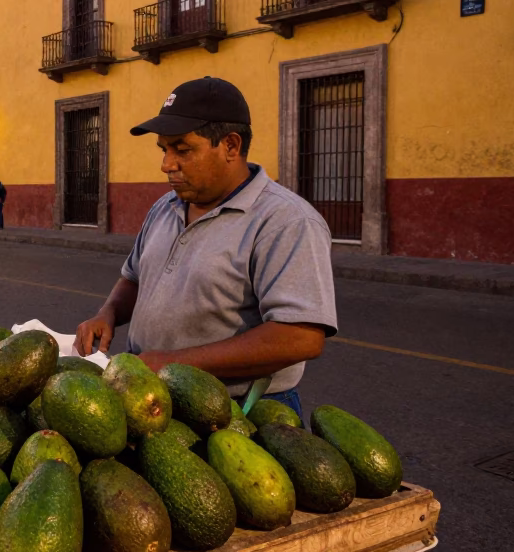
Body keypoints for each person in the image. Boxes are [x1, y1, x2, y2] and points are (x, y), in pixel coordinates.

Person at [73, 76, 337, 417]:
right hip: (152, 397)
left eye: (182, 150)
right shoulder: (165, 207)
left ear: (230, 145)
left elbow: (300, 337)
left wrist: (170, 363)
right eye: (164, 150)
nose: (167, 164)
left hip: (236, 411)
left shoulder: (287, 221)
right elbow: (135, 278)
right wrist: (107, 313)